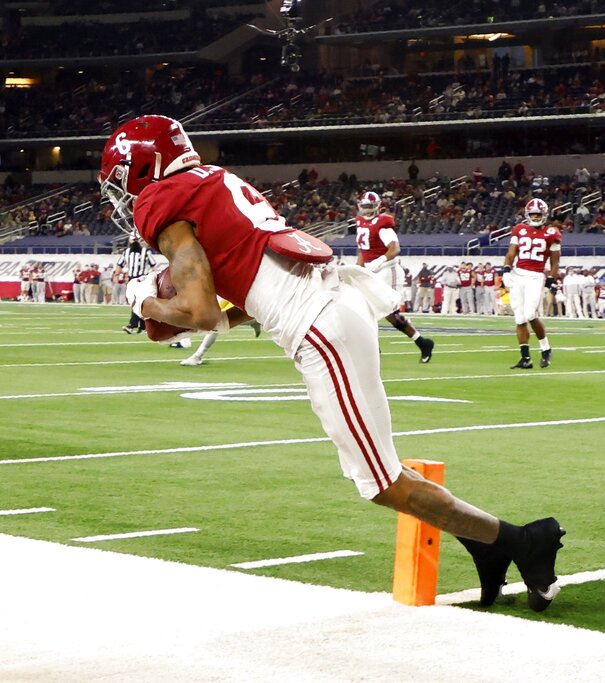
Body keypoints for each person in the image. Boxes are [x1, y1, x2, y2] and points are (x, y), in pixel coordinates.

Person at [99, 114, 565, 612]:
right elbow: (243, 301)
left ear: (143, 167)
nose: (125, 199)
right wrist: (185, 313)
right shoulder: (214, 180)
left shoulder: (162, 201)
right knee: (379, 475)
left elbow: (204, 313)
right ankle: (490, 545)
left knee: (380, 481)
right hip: (331, 308)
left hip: (321, 326)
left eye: (122, 184)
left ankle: (520, 541)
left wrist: (143, 302)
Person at [354, 191, 434, 363]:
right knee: (377, 312)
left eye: (370, 207)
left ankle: (373, 350)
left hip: (386, 270)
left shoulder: (383, 223)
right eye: (365, 207)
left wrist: (380, 260)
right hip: (371, 271)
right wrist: (358, 270)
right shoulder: (360, 223)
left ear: (377, 207)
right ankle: (422, 342)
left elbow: (395, 248)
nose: (367, 211)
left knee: (380, 312)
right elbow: (363, 250)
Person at [503, 198, 559, 369]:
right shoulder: (519, 229)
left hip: (535, 276)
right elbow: (511, 253)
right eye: (532, 214)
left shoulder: (552, 233)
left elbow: (555, 261)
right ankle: (525, 358)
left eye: (538, 214)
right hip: (518, 274)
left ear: (544, 214)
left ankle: (545, 348)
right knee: (519, 318)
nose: (535, 217)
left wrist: (551, 279)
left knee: (530, 314)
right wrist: (506, 270)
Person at [118, 236, 156, 333]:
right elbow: (153, 266)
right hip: (134, 280)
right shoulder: (143, 251)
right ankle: (143, 327)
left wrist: (117, 274)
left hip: (140, 280)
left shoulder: (140, 252)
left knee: (137, 302)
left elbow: (119, 266)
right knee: (138, 303)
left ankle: (132, 325)